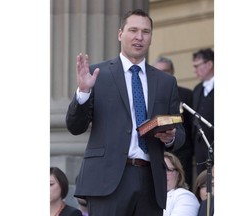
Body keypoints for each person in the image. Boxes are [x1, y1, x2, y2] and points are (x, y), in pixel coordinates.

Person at [66, 9, 186, 216]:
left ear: (150, 37)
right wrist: (83, 92)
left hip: (151, 182)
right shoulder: (98, 74)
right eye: (133, 30)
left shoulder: (166, 82)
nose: (139, 37)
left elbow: (181, 132)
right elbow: (75, 127)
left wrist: (171, 136)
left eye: (146, 32)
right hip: (108, 181)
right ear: (120, 34)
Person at [153, 56, 194, 189]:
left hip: (182, 153)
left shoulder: (187, 94)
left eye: (166, 71)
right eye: (158, 71)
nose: (162, 74)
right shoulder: (149, 94)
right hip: (156, 152)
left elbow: (192, 126)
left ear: (173, 71)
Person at [191, 48, 214, 175]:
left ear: (209, 64)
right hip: (200, 147)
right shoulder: (197, 89)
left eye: (197, 66)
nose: (195, 71)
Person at [163, 151, 199, 216]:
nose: (163, 174)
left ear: (178, 175)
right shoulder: (146, 196)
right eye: (159, 170)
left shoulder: (185, 197)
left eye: (168, 170)